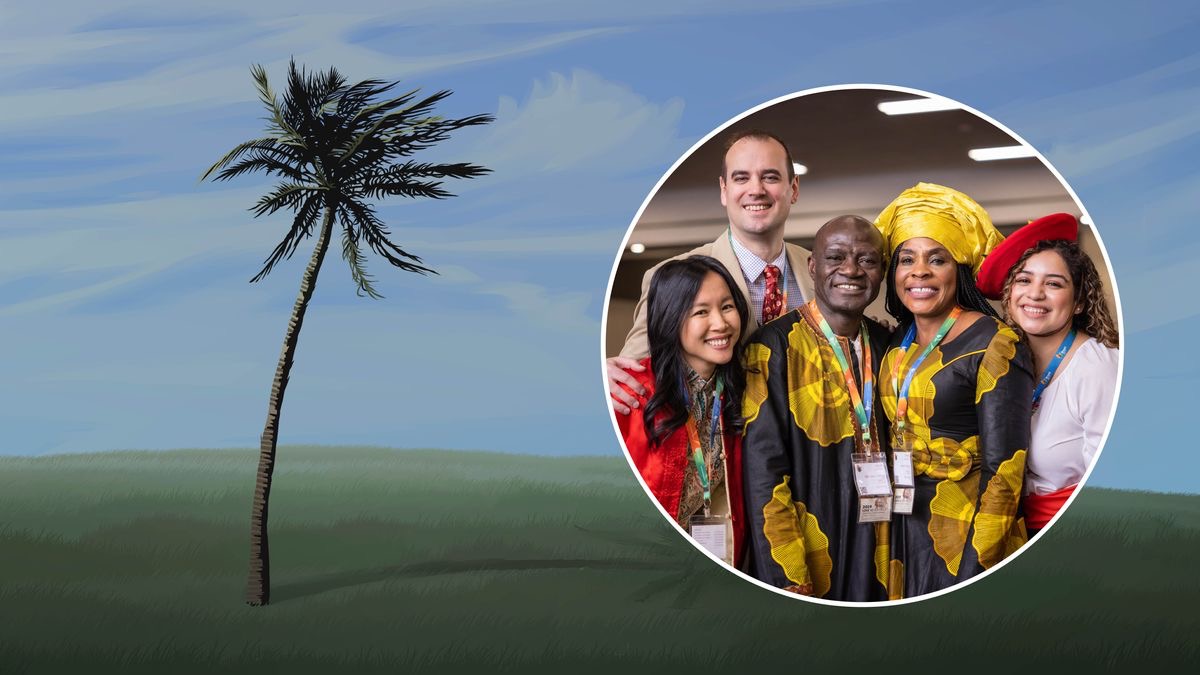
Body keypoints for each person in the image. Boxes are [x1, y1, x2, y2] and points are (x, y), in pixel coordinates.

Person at [874, 182, 1032, 600]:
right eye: (906, 259)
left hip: (967, 533)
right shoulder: (898, 340)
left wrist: (975, 572)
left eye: (937, 259)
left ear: (958, 270)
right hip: (902, 527)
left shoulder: (995, 341)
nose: (919, 271)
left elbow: (1005, 472)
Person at [607, 130, 815, 415]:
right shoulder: (669, 278)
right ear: (724, 190)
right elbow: (632, 375)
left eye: (770, 177)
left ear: (794, 188)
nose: (756, 189)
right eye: (741, 178)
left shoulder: (821, 271)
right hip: (718, 438)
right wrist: (605, 376)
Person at [741, 215, 892, 601]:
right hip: (811, 547)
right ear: (812, 266)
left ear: (882, 270)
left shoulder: (889, 345)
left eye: (867, 260)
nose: (851, 270)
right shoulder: (773, 346)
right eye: (836, 257)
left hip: (883, 542)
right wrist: (789, 577)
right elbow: (764, 475)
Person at [975, 213, 1120, 536]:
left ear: (1079, 301)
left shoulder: (1098, 367)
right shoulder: (1006, 361)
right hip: (1015, 531)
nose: (1035, 294)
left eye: (1053, 283)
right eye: (1024, 280)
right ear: (1009, 293)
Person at [616, 255, 751, 567]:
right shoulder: (630, 392)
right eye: (701, 312)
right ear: (670, 319)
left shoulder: (738, 393)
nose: (720, 323)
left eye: (727, 307)